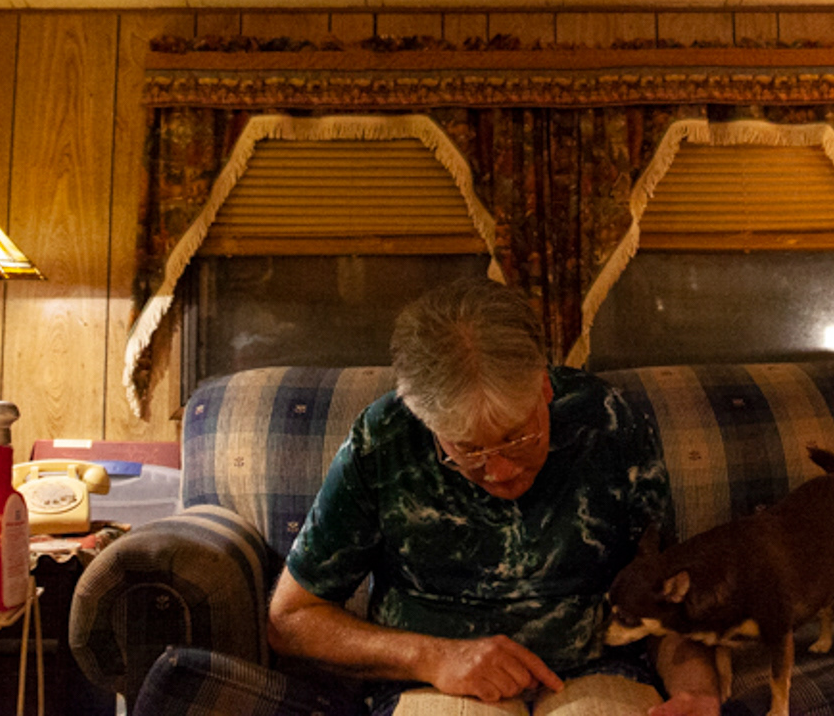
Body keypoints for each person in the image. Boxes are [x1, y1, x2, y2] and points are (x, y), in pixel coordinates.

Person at [268, 282, 720, 716]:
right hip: (432, 683)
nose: (501, 472)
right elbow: (291, 618)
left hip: (600, 669)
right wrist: (431, 657)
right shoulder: (383, 440)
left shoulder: (609, 422)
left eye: (517, 438)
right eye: (468, 450)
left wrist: (696, 692)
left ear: (545, 388)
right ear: (428, 424)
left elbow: (666, 603)